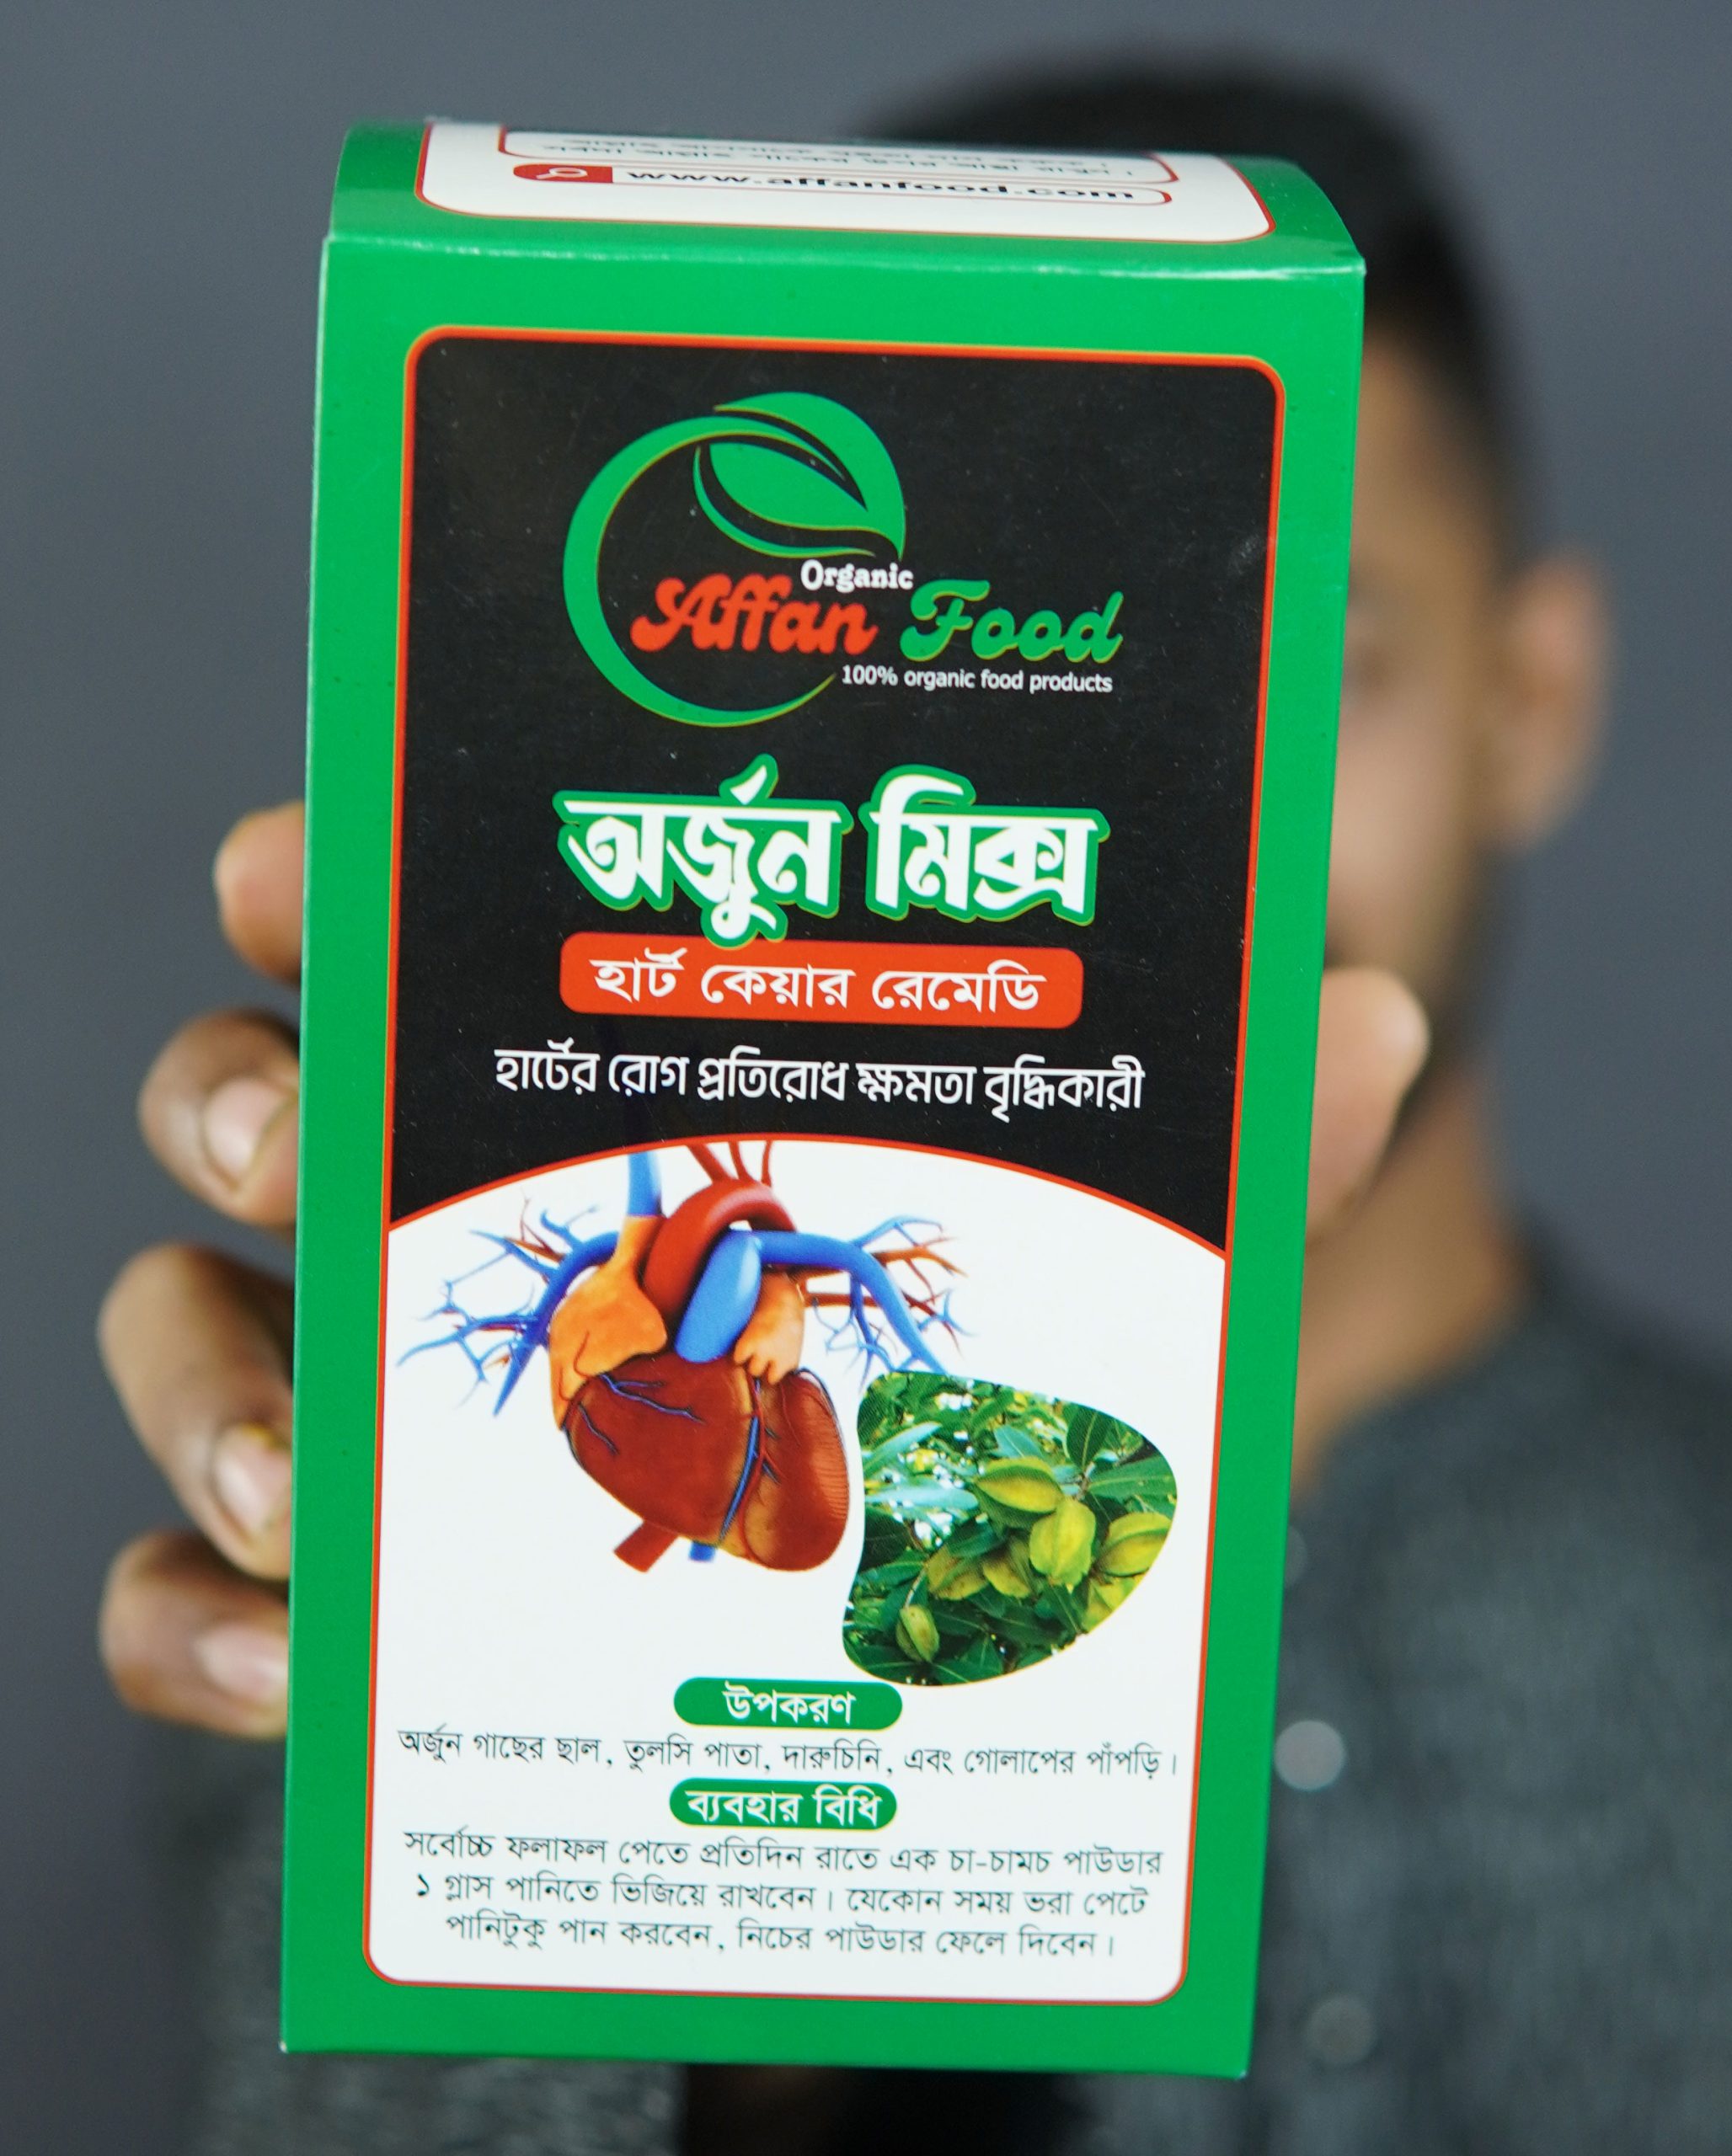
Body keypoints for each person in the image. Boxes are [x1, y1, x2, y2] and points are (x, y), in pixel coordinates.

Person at [94, 66, 1732, 2156]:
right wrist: (687, 1935)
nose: (1170, 834)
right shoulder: (440, 1588)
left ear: (1532, 696)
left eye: (1309, 657)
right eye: (1045, 695)